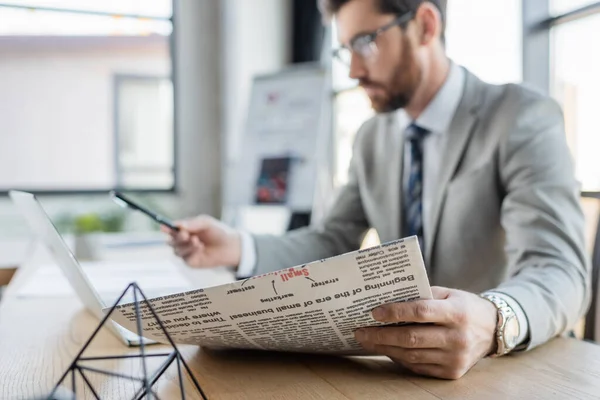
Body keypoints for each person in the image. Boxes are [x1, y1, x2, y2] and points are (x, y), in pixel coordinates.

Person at [165, 0, 590, 380]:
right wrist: (239, 248)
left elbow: (560, 268)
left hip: (510, 371)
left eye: (366, 42)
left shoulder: (519, 117)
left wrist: (495, 319)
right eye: (345, 49)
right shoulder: (372, 138)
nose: (352, 70)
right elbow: (333, 240)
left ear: (425, 25)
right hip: (401, 374)